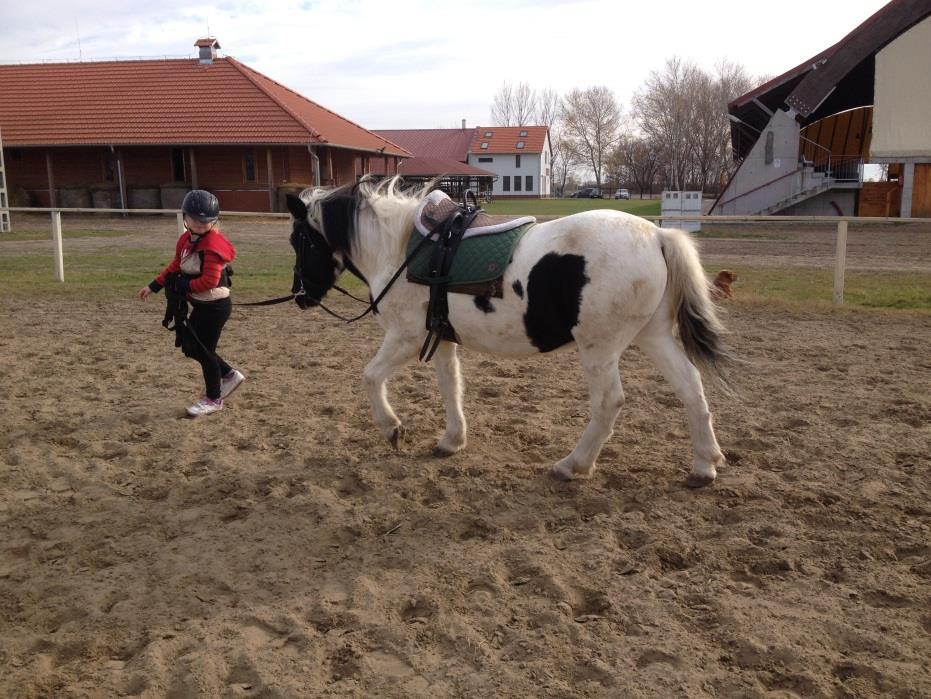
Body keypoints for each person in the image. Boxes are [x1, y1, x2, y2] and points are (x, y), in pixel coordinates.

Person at [137, 189, 245, 417]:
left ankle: (214, 399)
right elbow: (176, 266)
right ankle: (229, 375)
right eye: (195, 219)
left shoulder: (212, 246)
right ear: (185, 217)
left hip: (215, 308)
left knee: (205, 352)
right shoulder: (185, 241)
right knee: (191, 347)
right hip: (202, 305)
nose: (200, 224)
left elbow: (209, 281)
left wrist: (183, 286)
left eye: (205, 220)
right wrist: (154, 286)